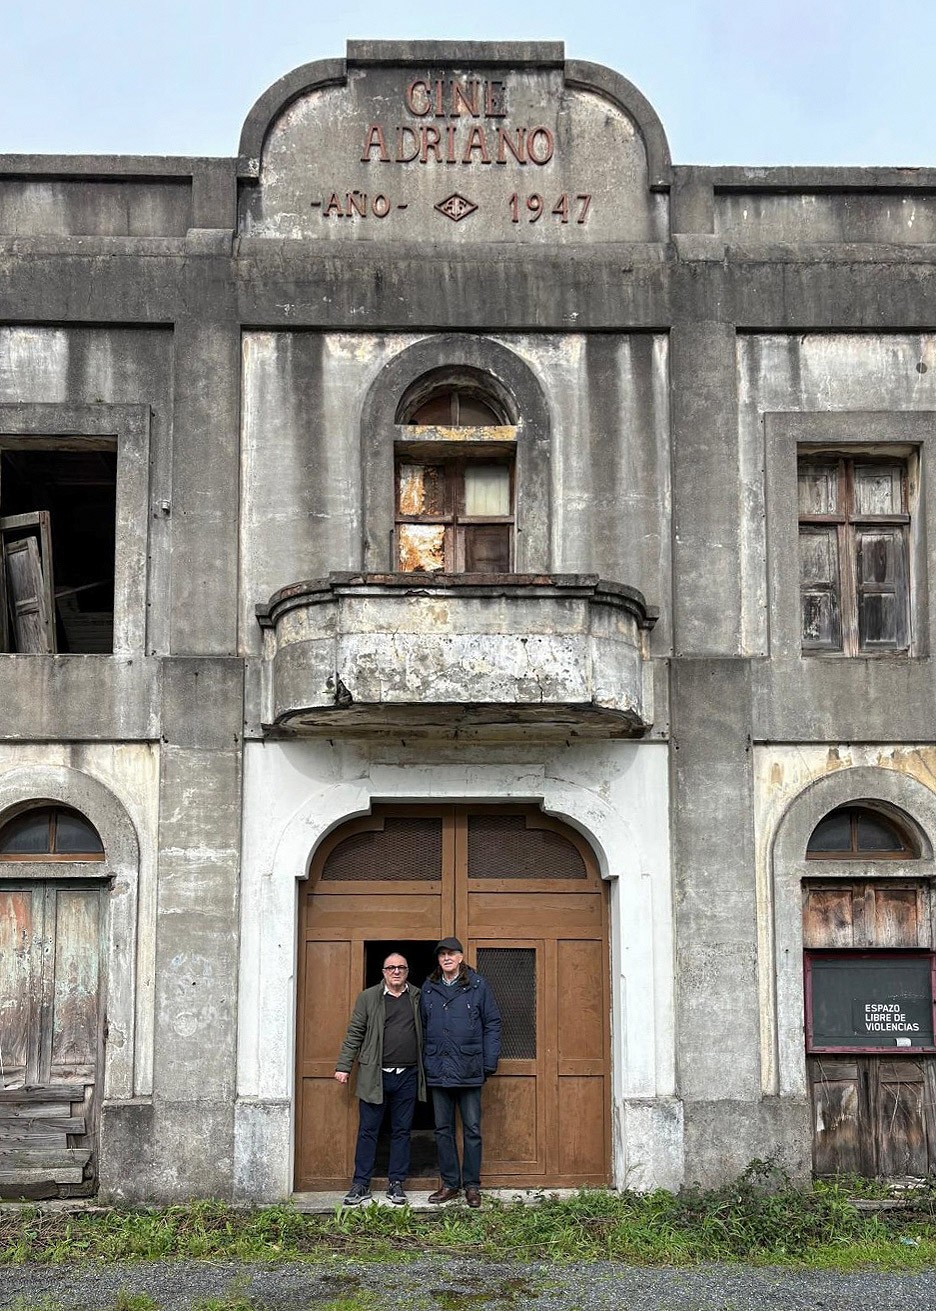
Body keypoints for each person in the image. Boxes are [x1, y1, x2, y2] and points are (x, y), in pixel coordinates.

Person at [334, 951, 425, 1206]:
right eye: (391, 968)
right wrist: (344, 1066)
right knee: (368, 1130)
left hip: (408, 1075)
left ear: (407, 971)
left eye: (401, 967)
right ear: (383, 972)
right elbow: (355, 1032)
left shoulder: (418, 996)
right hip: (375, 1075)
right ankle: (361, 1183)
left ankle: (396, 1183)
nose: (396, 971)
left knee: (401, 1131)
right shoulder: (368, 997)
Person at [420, 936, 501, 1208]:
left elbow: (492, 1023)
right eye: (442, 954)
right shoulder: (429, 987)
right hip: (438, 1067)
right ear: (438, 959)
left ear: (461, 957)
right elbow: (422, 1027)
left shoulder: (478, 985)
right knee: (443, 1130)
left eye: (451, 953)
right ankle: (450, 1184)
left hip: (469, 1067)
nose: (447, 958)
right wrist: (424, 1061)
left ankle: (472, 1186)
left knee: (472, 1129)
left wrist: (489, 1062)